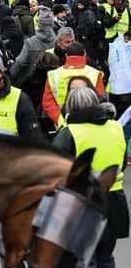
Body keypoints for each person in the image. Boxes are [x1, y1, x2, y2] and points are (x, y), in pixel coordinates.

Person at [52, 87, 129, 268]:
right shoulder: (116, 127)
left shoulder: (69, 133)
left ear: (69, 107)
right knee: (106, 257)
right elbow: (123, 162)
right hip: (114, 202)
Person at [42, 42, 105, 129]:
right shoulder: (95, 73)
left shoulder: (53, 75)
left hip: (64, 125)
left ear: (66, 55)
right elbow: (100, 100)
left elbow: (48, 103)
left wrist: (61, 120)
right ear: (85, 54)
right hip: (90, 124)